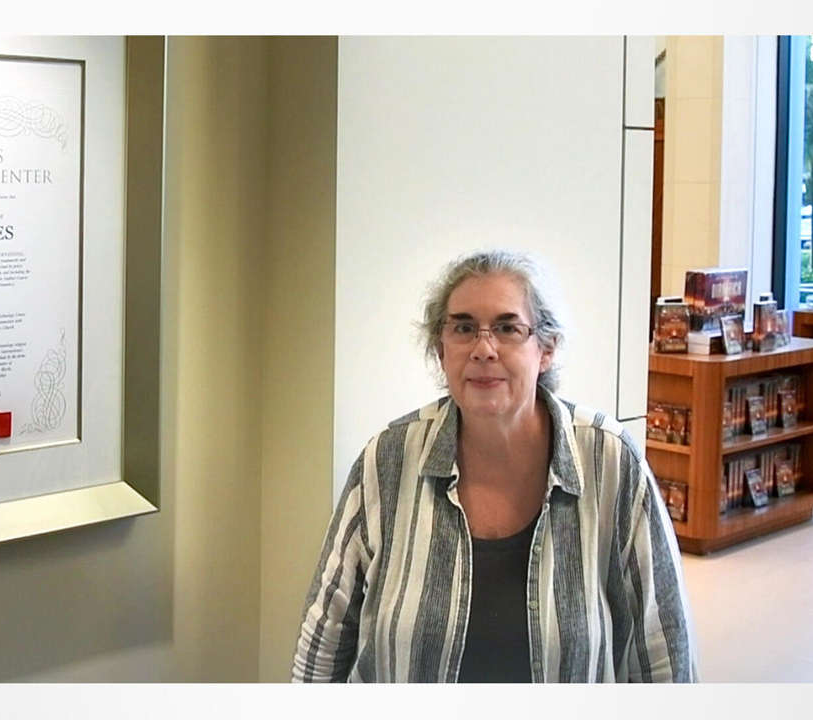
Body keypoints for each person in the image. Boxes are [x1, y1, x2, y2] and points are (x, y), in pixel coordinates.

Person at [291, 249, 698, 683]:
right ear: (440, 349)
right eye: (463, 328)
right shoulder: (388, 459)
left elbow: (665, 651)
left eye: (507, 328)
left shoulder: (609, 461)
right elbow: (322, 643)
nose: (484, 349)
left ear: (546, 349)